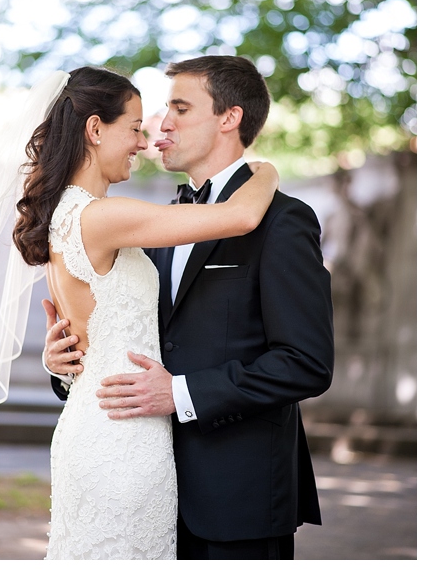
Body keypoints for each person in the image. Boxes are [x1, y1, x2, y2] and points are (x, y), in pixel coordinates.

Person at [0, 65, 282, 559]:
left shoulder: (71, 217)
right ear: (95, 130)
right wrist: (266, 170)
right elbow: (242, 217)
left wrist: (63, 364)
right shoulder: (101, 216)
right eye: (135, 128)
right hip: (122, 442)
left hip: (103, 425)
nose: (144, 141)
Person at [44, 55, 334, 560]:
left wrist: (179, 394)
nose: (161, 125)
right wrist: (65, 361)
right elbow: (127, 333)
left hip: (235, 497)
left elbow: (306, 363)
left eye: (180, 107)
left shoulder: (285, 221)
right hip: (138, 481)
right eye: (157, 113)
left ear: (230, 117)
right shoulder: (156, 222)